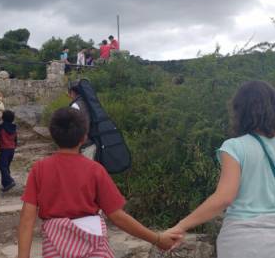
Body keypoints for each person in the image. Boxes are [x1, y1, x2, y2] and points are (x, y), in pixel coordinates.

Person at [165, 80, 275, 257]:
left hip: (240, 242)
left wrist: (181, 225)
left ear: (240, 112)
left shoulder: (235, 147)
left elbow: (224, 198)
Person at [18, 108, 181, 258]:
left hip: (55, 247)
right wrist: (157, 239)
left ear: (53, 135)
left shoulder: (39, 169)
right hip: (93, 244)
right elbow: (118, 217)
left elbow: (27, 220)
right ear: (84, 137)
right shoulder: (95, 170)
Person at [67, 81, 94, 160]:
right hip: (92, 143)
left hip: (84, 146)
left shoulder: (75, 105)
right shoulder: (89, 102)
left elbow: (73, 128)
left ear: (72, 92)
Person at [0, 110, 17, 192]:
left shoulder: (2, 126)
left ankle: (10, 181)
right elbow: (15, 139)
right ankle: (6, 185)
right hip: (12, 149)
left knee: (2, 166)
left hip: (4, 149)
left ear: (3, 118)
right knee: (6, 166)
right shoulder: (14, 127)